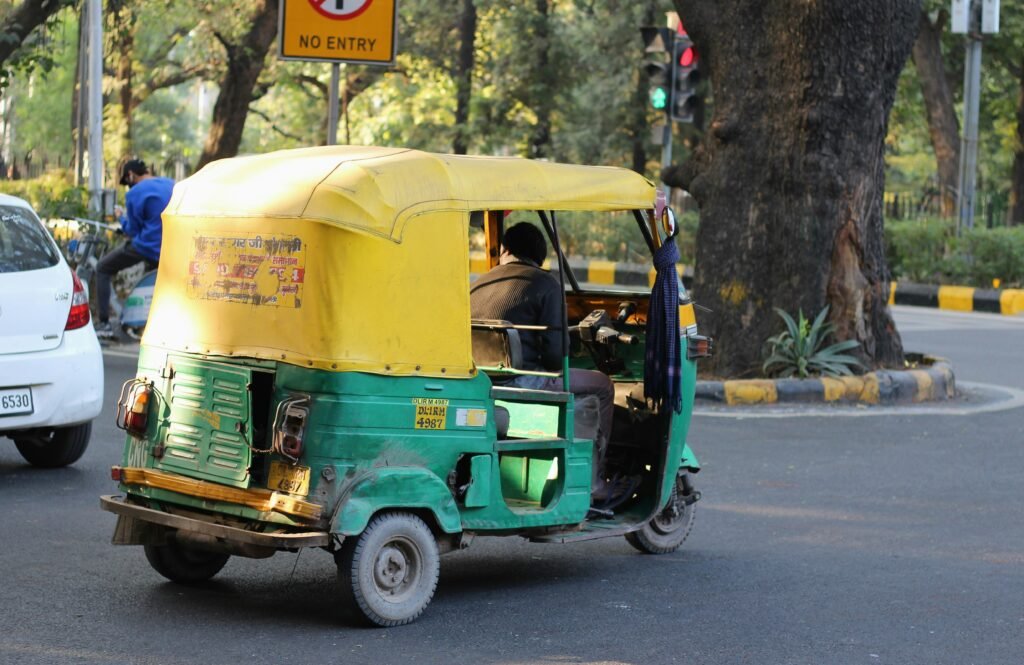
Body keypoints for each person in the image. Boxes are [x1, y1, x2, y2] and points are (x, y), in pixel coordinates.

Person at [470, 222, 618, 501]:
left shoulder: (478, 284)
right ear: (539, 256)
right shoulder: (546, 284)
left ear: (505, 250)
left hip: (481, 380)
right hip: (522, 379)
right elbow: (553, 357)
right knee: (602, 385)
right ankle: (594, 480)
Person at [94, 159, 174, 339]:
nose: (128, 186)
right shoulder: (171, 184)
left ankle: (104, 324)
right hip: (170, 248)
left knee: (102, 268)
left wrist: (121, 218)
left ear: (130, 175)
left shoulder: (136, 193)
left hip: (147, 246)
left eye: (126, 182)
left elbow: (132, 230)